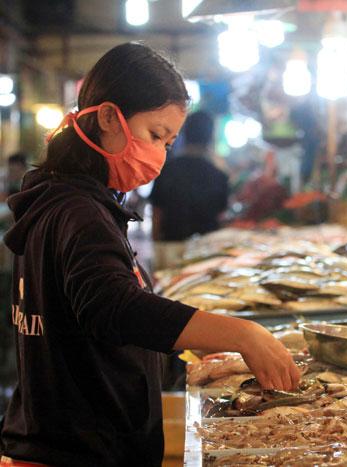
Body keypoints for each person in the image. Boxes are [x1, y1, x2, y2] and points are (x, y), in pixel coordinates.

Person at [0, 43, 299, 466]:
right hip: (76, 455)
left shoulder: (63, 199)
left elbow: (91, 333)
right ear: (107, 117)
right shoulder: (78, 211)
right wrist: (241, 333)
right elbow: (112, 306)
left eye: (169, 141)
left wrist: (189, 358)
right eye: (154, 134)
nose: (160, 153)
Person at [150, 111, 229, 241]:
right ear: (210, 137)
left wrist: (156, 240)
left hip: (170, 243)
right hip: (207, 248)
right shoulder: (219, 174)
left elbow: (157, 210)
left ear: (184, 133)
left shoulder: (167, 169)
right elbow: (221, 214)